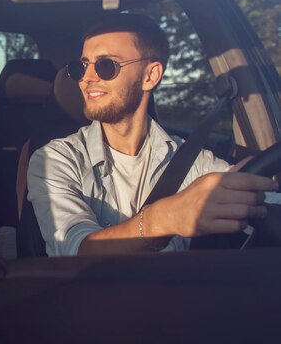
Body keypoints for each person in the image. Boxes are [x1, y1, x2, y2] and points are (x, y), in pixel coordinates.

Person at [27, 13, 279, 256]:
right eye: (81, 67)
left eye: (106, 66)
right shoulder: (54, 159)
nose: (86, 79)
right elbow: (75, 249)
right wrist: (163, 219)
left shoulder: (194, 162)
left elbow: (268, 204)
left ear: (150, 75)